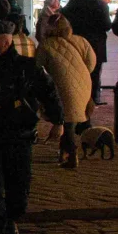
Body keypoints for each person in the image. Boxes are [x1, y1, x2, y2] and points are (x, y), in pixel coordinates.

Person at [0, 20, 58, 234]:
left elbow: (48, 90)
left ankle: (11, 221)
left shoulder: (25, 67)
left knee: (18, 184)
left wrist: (58, 120)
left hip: (18, 133)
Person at [35, 16, 94, 170]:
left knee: (66, 120)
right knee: (70, 120)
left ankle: (71, 155)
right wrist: (80, 73)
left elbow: (37, 67)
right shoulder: (80, 40)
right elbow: (91, 61)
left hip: (61, 84)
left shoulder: (46, 44)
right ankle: (64, 152)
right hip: (83, 81)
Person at [63, 0, 111, 110]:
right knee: (95, 71)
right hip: (97, 42)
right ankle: (93, 99)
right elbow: (107, 25)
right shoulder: (101, 5)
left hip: (79, 41)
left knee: (80, 69)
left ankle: (81, 97)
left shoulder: (79, 2)